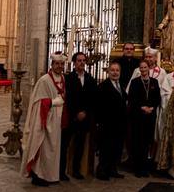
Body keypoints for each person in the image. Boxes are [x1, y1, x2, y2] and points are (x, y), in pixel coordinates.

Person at [20, 52, 67, 186]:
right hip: (44, 119)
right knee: (42, 148)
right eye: (57, 64)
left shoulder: (62, 78)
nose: (59, 66)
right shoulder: (45, 80)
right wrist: (53, 102)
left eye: (61, 64)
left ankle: (49, 175)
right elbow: (38, 102)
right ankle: (37, 176)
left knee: (53, 150)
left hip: (56, 120)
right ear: (52, 65)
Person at [60, 52, 97, 180]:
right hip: (71, 117)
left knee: (80, 145)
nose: (82, 63)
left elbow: (93, 99)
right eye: (79, 60)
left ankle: (76, 170)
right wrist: (76, 113)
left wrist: (85, 112)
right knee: (65, 145)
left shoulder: (90, 79)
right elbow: (67, 98)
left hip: (84, 118)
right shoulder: (68, 79)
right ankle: (61, 171)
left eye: (83, 60)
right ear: (74, 63)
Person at [128, 60, 161, 177]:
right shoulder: (135, 82)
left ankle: (145, 168)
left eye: (145, 67)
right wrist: (142, 107)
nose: (143, 70)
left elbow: (158, 98)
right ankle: (138, 168)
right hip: (139, 116)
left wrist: (151, 107)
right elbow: (131, 99)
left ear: (149, 69)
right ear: (139, 69)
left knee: (148, 142)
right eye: (141, 68)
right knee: (138, 142)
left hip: (150, 116)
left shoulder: (154, 82)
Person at [95, 62, 127, 180]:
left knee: (116, 148)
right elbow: (99, 106)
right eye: (112, 70)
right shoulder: (103, 86)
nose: (115, 73)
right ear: (108, 72)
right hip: (107, 124)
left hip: (119, 124)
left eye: (117, 70)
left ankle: (113, 169)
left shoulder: (121, 85)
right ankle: (102, 171)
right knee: (106, 149)